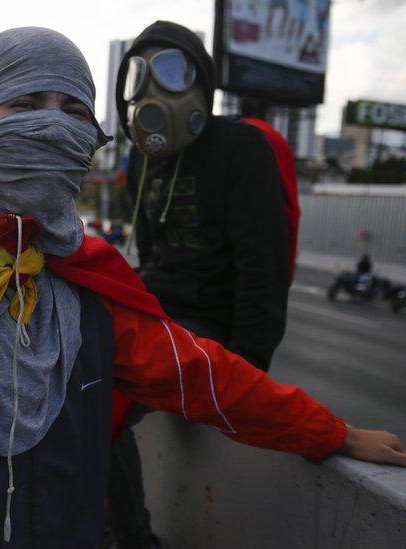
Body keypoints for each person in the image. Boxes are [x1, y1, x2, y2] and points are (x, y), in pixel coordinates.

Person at [0, 27, 406, 549]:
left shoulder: (86, 281)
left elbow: (203, 375)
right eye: (26, 103)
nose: (54, 126)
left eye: (74, 110)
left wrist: (330, 432)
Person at [111, 21, 297, 547]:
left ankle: (134, 539)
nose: (150, 94)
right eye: (138, 78)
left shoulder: (240, 149)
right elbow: (150, 251)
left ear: (202, 83)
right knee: (67, 372)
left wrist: (247, 372)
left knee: (100, 401)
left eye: (170, 72)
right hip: (160, 314)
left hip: (205, 328)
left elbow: (264, 266)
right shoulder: (142, 158)